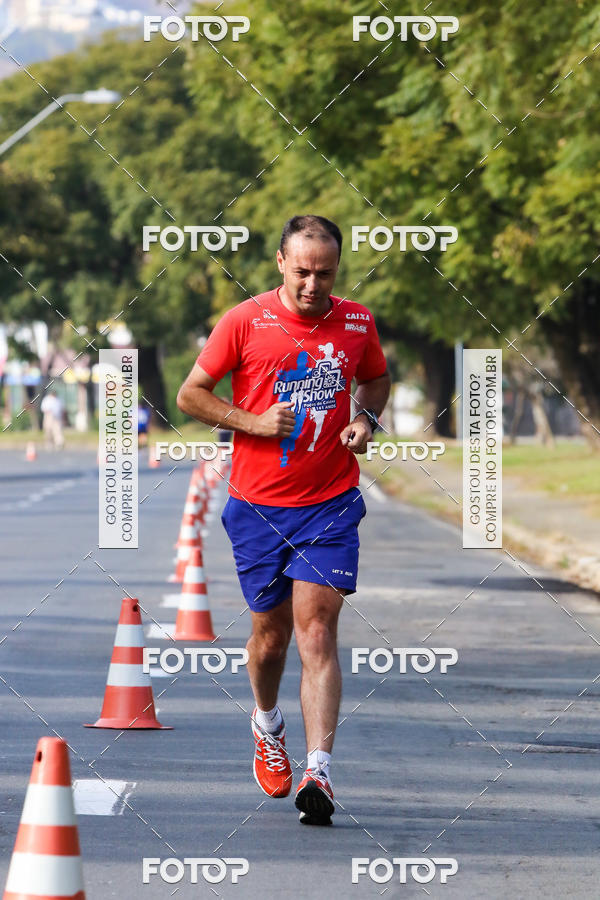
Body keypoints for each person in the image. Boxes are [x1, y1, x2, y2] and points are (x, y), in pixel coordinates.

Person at [177, 215, 390, 826]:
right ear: (279, 263)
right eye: (302, 271)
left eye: (325, 273)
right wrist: (250, 422)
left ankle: (319, 770)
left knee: (316, 630)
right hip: (257, 506)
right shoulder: (244, 321)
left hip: (328, 503)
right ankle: (267, 723)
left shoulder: (356, 321)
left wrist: (366, 419)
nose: (313, 285)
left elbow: (375, 379)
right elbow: (191, 394)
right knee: (269, 640)